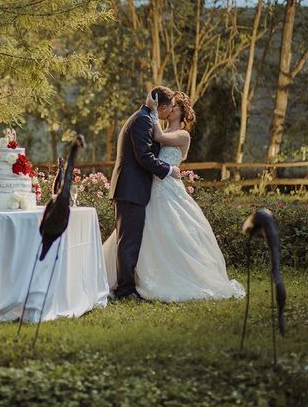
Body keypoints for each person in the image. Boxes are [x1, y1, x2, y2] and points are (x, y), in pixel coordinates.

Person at [103, 91, 245, 302]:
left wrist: (151, 110)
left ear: (181, 112)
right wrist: (151, 110)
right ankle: (128, 284)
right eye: (169, 107)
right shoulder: (152, 125)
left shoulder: (181, 134)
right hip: (148, 189)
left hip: (166, 189)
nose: (170, 111)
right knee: (135, 237)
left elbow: (158, 140)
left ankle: (152, 280)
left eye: (174, 108)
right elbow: (146, 153)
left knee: (162, 233)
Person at [108, 86, 181, 300]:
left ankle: (127, 287)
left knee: (129, 240)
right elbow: (143, 156)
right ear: (164, 107)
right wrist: (168, 169)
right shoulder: (142, 119)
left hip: (132, 189)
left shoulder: (146, 117)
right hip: (130, 189)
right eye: (171, 107)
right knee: (128, 241)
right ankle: (125, 291)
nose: (172, 111)